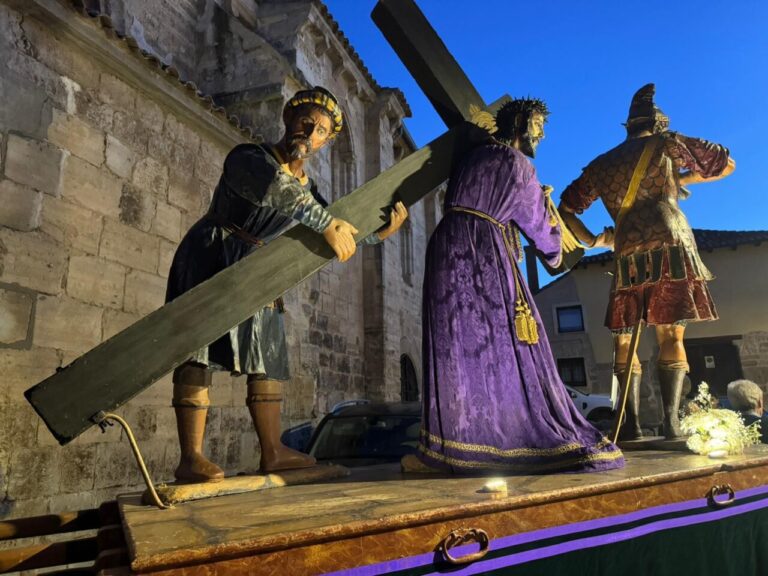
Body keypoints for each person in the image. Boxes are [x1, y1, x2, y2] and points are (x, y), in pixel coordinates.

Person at [166, 86, 409, 483]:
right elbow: (283, 195)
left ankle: (272, 451)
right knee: (198, 352)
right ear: (289, 120)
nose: (310, 134)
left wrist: (377, 233)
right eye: (306, 122)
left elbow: (326, 227)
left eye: (320, 131)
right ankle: (190, 457)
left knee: (268, 355)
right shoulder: (250, 158)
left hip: (260, 268)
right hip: (212, 255)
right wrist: (328, 223)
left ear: (326, 143)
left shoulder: (309, 192)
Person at [402, 98, 624, 474]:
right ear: (521, 124)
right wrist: (557, 235)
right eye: (539, 126)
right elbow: (541, 230)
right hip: (482, 251)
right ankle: (506, 441)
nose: (542, 135)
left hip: (445, 246)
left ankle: (449, 446)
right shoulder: (517, 164)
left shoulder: (472, 157)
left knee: (457, 345)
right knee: (504, 347)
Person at [558, 84, 735, 441]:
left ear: (628, 126)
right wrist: (683, 178)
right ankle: (670, 424)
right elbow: (724, 163)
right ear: (657, 124)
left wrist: (594, 240)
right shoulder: (665, 143)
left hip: (626, 250)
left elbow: (566, 209)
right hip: (669, 240)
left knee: (623, 341)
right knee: (670, 333)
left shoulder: (600, 165)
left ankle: (631, 426)